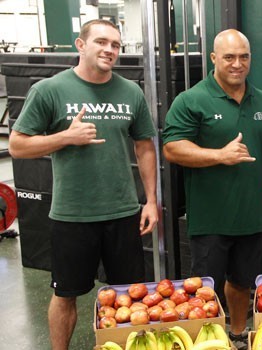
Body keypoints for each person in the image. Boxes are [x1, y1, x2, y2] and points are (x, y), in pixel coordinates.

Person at [8, 20, 158, 350]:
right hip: (72, 214)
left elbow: (145, 145)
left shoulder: (130, 91)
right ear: (80, 45)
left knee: (128, 296)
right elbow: (18, 145)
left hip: (122, 212)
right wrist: (65, 137)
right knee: (65, 295)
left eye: (116, 45)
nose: (109, 50)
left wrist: (150, 200)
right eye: (101, 42)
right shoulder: (50, 90)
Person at [162, 29, 262, 350]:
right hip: (210, 218)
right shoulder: (192, 100)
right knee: (206, 287)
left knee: (242, 282)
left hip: (249, 214)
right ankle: (207, 339)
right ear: (214, 58)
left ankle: (236, 334)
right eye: (229, 57)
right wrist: (220, 155)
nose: (237, 64)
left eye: (243, 57)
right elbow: (173, 149)